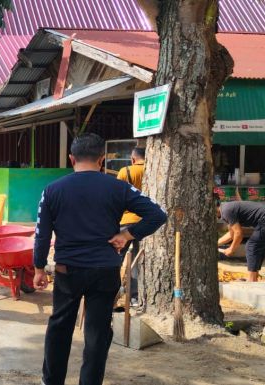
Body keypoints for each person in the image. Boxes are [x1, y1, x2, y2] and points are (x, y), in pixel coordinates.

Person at [32, 133, 167, 385]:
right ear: (102, 159)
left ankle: (51, 381)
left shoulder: (52, 190)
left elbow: (41, 234)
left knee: (60, 326)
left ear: (71, 158)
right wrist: (127, 234)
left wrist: (39, 267)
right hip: (105, 270)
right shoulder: (118, 187)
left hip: (67, 270)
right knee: (97, 332)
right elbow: (158, 214)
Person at [217, 198, 265, 282]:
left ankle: (252, 280)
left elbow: (238, 233)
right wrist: (215, 244)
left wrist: (232, 249)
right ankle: (254, 277)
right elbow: (231, 234)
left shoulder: (226, 211)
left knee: (251, 246)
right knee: (257, 248)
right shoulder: (226, 209)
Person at [116, 147, 145, 306]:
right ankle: (136, 297)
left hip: (126, 221)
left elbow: (117, 197)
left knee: (117, 258)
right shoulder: (151, 170)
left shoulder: (125, 171)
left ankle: (113, 292)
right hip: (145, 222)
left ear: (133, 159)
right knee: (138, 260)